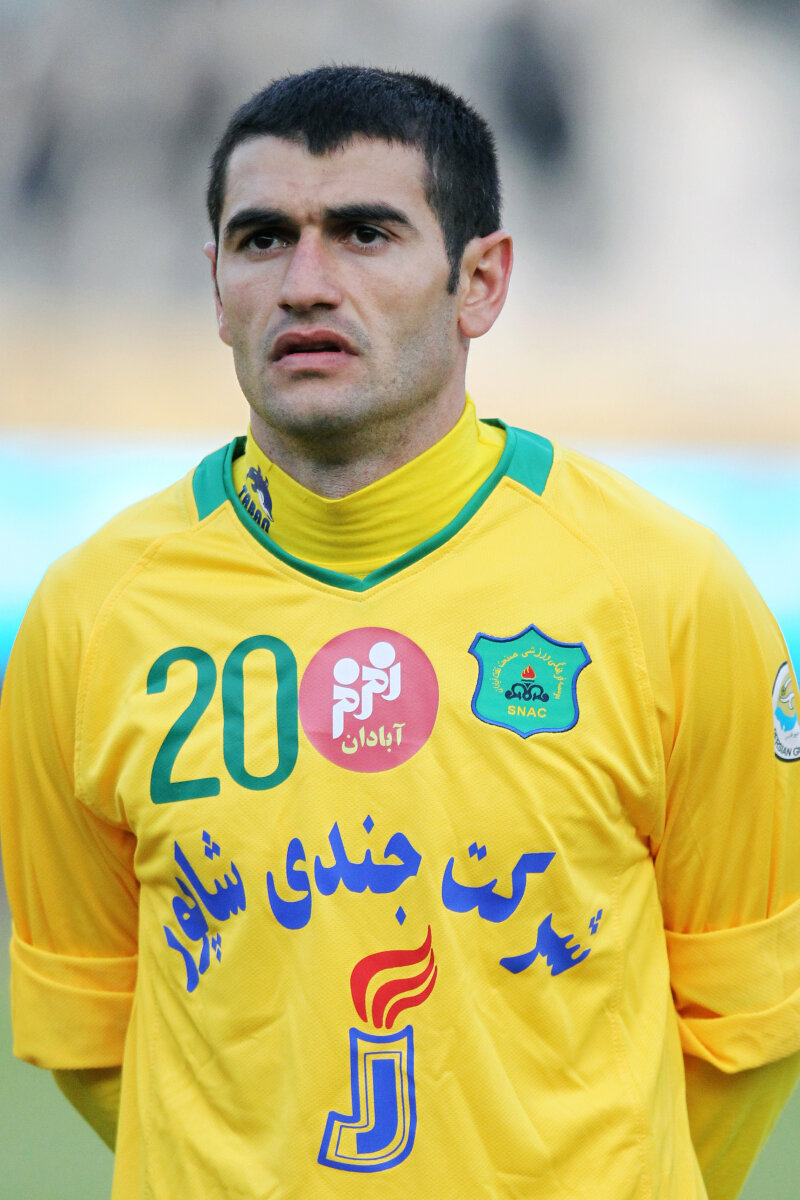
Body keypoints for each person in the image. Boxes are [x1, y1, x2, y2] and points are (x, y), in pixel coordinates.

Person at [1, 65, 799, 1200]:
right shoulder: (89, 617)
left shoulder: (665, 594)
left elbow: (749, 1021)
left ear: (480, 282)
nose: (306, 284)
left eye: (365, 234)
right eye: (263, 240)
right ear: (216, 286)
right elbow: (91, 1029)